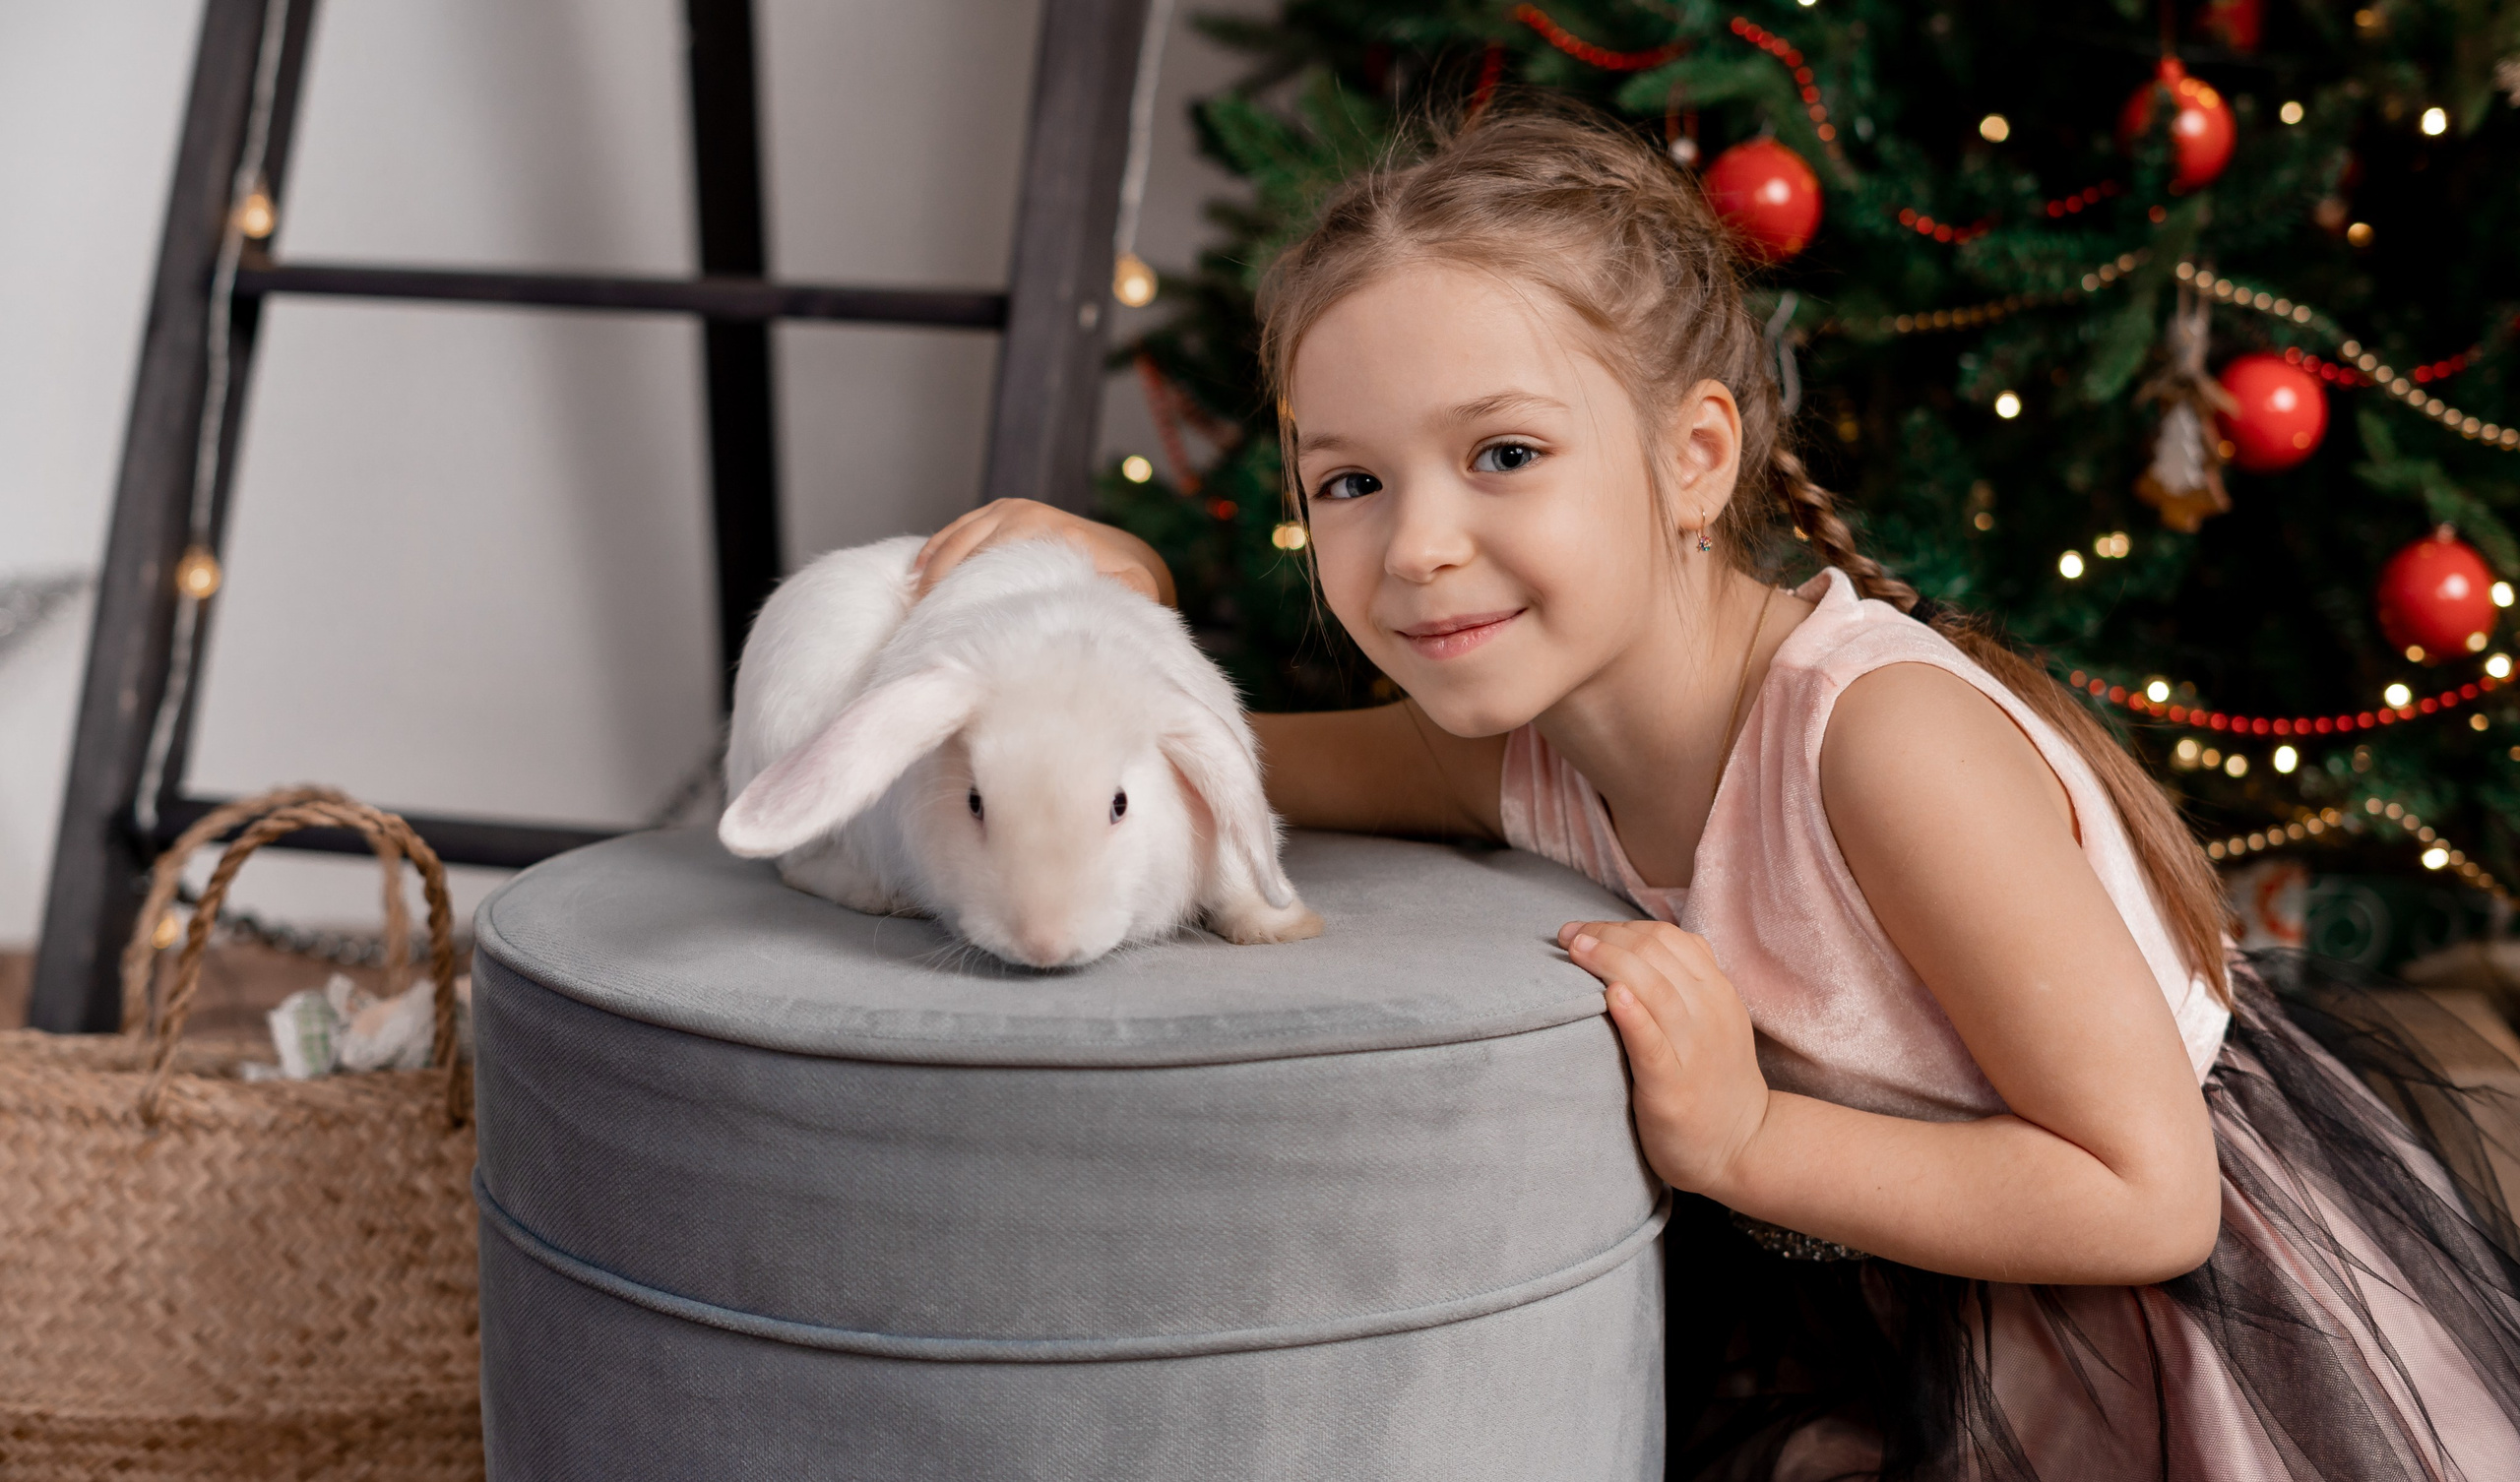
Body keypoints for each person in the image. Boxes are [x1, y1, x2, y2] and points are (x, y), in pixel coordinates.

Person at [913, 102, 2520, 1480]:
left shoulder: (1880, 744)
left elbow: (2147, 1193)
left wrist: (1746, 1139)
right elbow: (1218, 768)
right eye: (1349, 480)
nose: (1415, 547)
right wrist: (1110, 608)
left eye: (1505, 455)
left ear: (1694, 457)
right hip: (1876, 1295)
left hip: (2133, 1342)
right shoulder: (1515, 745)